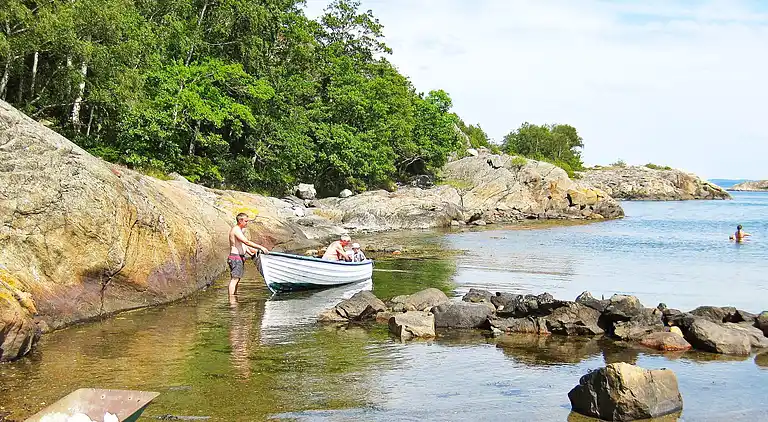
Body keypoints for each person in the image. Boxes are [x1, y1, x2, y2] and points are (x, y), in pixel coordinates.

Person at [228, 213, 270, 295]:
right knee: (235, 279)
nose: (247, 223)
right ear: (240, 221)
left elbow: (242, 245)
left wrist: (251, 253)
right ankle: (232, 299)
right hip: (236, 258)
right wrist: (261, 247)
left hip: (239, 257)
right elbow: (246, 242)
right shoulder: (236, 230)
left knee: (237, 279)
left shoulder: (239, 230)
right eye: (246, 221)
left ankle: (234, 296)